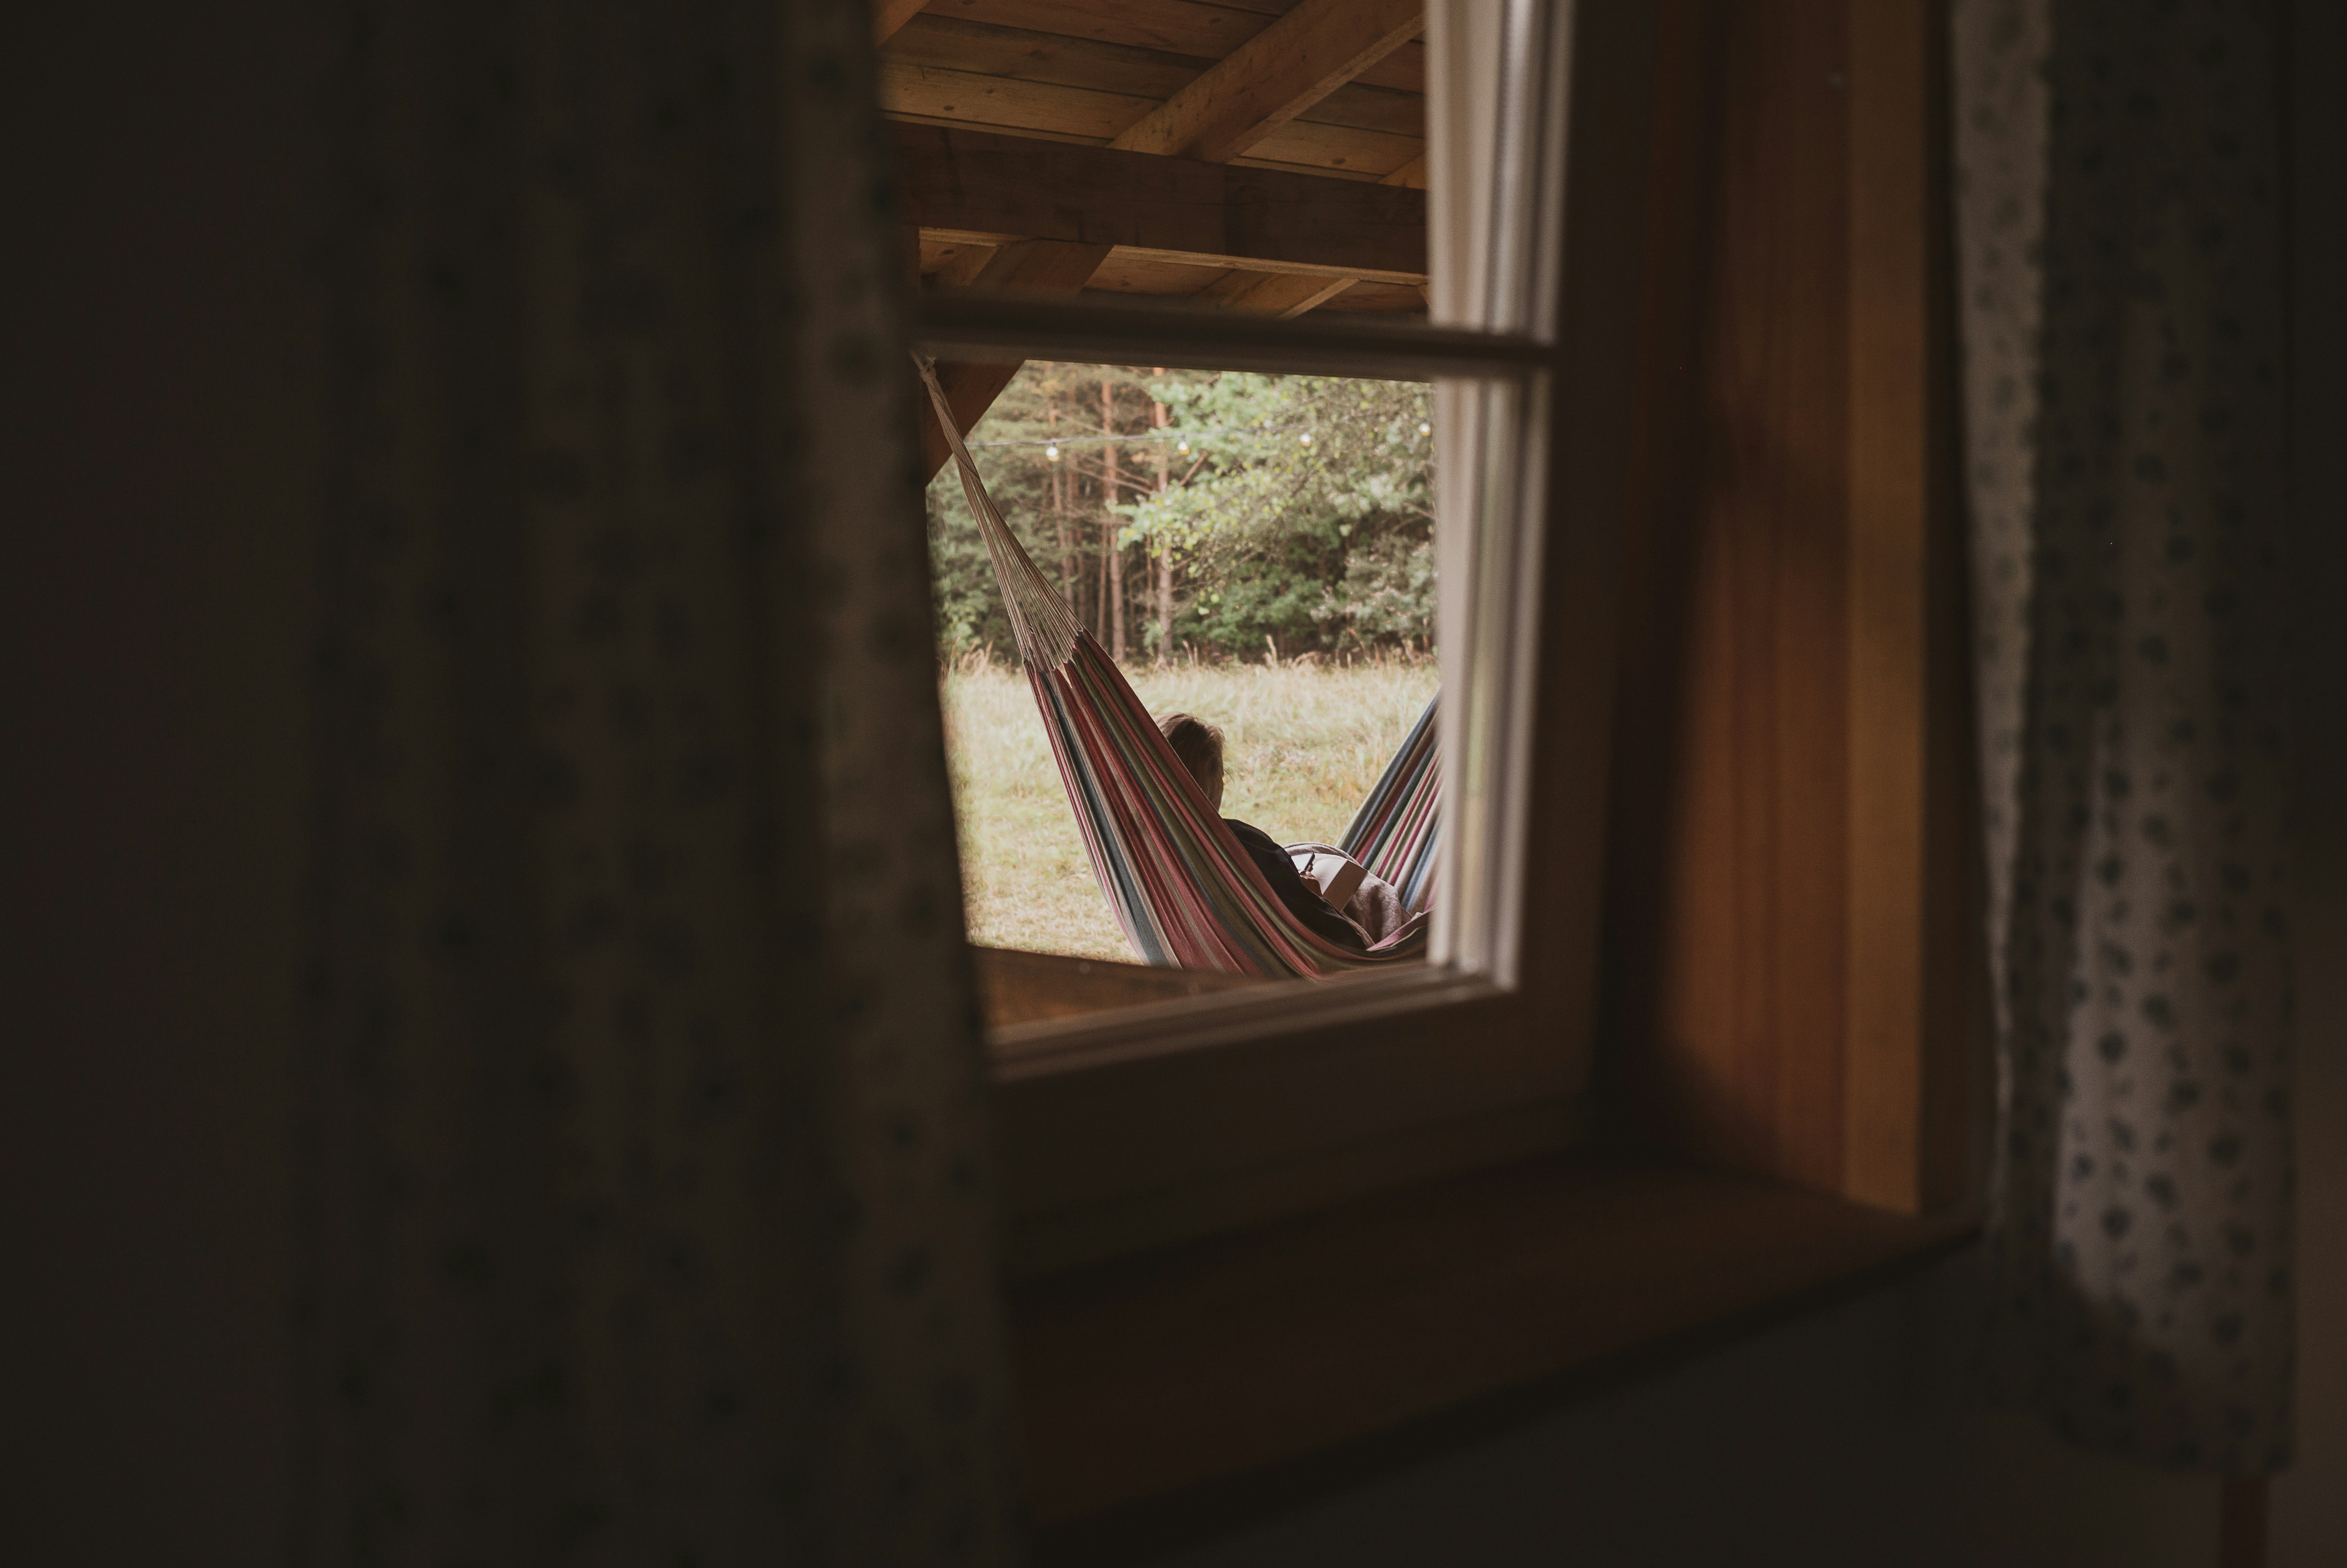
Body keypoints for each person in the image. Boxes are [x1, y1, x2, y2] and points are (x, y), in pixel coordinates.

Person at [1156, 711, 1402, 953]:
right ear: (1210, 782)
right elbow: (1347, 945)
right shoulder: (1240, 847)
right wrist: (1317, 898)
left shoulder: (1133, 853)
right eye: (1221, 775)